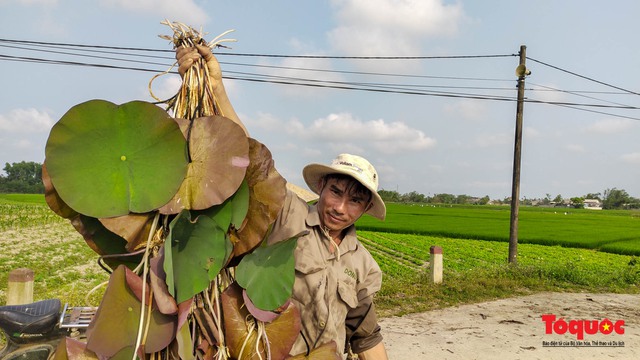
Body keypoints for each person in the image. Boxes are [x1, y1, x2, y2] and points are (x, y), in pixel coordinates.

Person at [176, 45, 389, 360]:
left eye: (355, 200)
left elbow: (366, 334)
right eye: (336, 192)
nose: (340, 208)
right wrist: (216, 86)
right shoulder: (290, 215)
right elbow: (249, 159)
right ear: (321, 187)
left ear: (365, 209)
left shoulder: (364, 265)